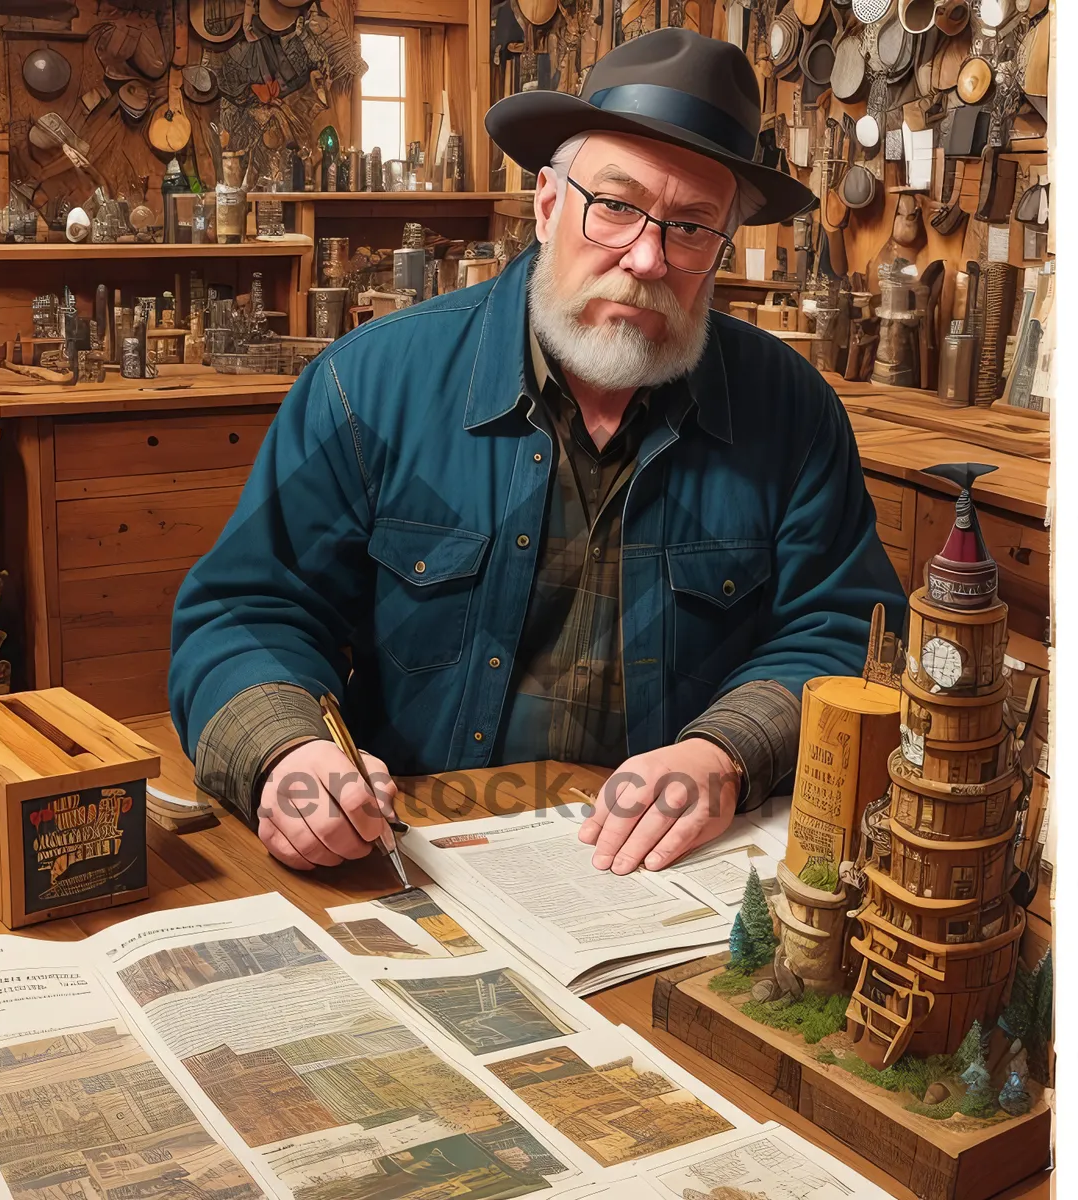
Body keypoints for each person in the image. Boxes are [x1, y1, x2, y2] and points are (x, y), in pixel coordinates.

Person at [169, 29, 906, 877]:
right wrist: (286, 754)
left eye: (693, 227)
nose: (646, 258)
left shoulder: (792, 411)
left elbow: (847, 628)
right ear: (549, 203)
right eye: (617, 206)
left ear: (723, 244)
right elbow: (244, 613)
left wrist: (727, 755)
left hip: (670, 873)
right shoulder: (368, 387)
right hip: (415, 855)